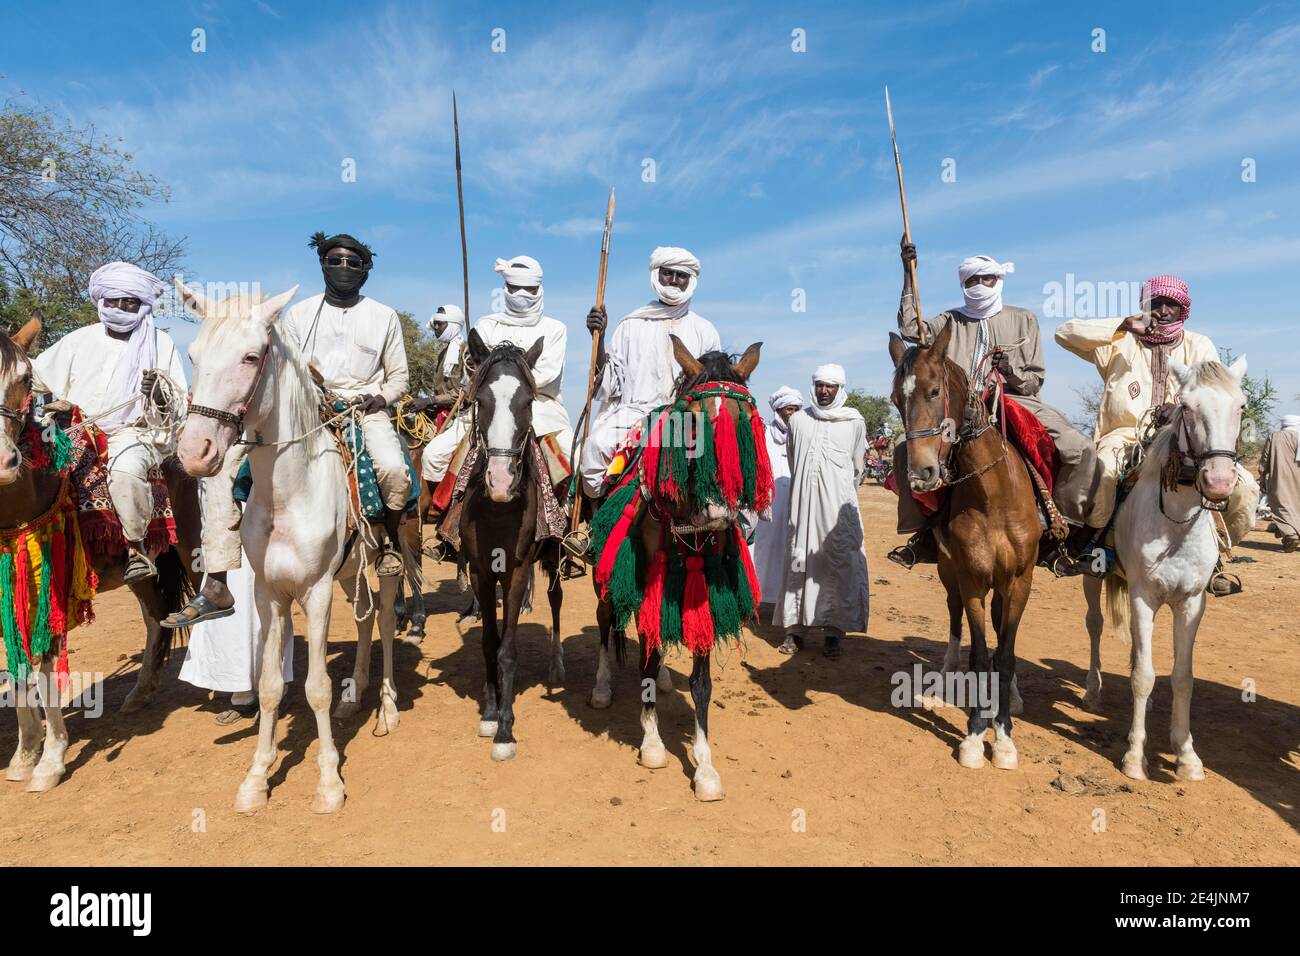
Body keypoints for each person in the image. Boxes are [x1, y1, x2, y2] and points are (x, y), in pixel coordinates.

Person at [893, 240, 1103, 568]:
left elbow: (1033, 381)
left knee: (1080, 449)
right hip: (961, 409)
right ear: (963, 285)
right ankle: (922, 533)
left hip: (1013, 400)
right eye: (971, 281)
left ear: (999, 280)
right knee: (904, 447)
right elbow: (909, 329)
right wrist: (909, 274)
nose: (979, 285)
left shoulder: (1023, 319)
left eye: (986, 279)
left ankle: (1063, 531)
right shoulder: (948, 321)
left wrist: (1010, 370)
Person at [1055, 274, 1260, 572]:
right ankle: (1096, 544)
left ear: (1183, 310)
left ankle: (1216, 551)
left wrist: (1177, 408)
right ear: (1144, 307)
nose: (1163, 311)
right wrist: (1124, 324)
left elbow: (1213, 394)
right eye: (1156, 304)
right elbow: (1064, 333)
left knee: (1247, 489)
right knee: (1105, 472)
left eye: (1171, 305)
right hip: (1124, 436)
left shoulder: (1199, 345)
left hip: (1185, 438)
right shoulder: (1118, 342)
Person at [31, 261, 187, 583]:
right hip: (72, 430)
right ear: (101, 301)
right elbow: (35, 376)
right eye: (113, 300)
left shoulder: (161, 343)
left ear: (141, 304)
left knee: (125, 472)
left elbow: (178, 405)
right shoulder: (79, 339)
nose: (119, 307)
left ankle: (136, 548)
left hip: (133, 433)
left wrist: (158, 394)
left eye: (128, 301)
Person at [284, 231, 411, 575]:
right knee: (252, 461)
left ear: (365, 269)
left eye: (352, 262)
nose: (343, 267)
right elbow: (287, 372)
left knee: (394, 470)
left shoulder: (384, 316)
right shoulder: (298, 315)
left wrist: (382, 397)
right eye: (334, 260)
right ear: (322, 265)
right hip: (312, 411)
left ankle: (389, 544)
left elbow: (399, 376)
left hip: (365, 409)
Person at [580, 247, 720, 499]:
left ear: (691, 280)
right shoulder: (631, 324)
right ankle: (595, 517)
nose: (675, 280)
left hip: (685, 418)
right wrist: (598, 339)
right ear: (657, 275)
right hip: (636, 415)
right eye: (669, 273)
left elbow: (714, 385)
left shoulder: (705, 330)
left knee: (722, 466)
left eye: (682, 275)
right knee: (595, 448)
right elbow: (611, 381)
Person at [776, 365, 870, 659]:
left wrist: (834, 488)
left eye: (829, 386)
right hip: (802, 506)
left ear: (839, 388)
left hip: (838, 512)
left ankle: (833, 633)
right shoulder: (799, 421)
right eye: (819, 385)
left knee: (837, 564)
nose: (823, 390)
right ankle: (794, 631)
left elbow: (857, 466)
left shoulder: (854, 421)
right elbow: (794, 459)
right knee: (799, 562)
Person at [474, 255, 573, 488]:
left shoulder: (554, 329)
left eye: (529, 289)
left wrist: (505, 384)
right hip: (489, 405)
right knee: (435, 456)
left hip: (542, 407)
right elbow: (476, 371)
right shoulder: (486, 325)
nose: (521, 294)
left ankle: (572, 516)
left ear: (539, 289)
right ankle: (439, 517)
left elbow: (547, 373)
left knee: (574, 459)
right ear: (505, 288)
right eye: (515, 288)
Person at [751, 386, 802, 607]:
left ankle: (789, 601)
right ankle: (759, 597)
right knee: (763, 549)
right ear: (778, 410)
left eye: (797, 409)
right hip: (768, 502)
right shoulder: (763, 434)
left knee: (793, 548)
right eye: (789, 409)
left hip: (796, 499)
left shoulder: (803, 434)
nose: (792, 414)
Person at [1260, 415, 1300, 552]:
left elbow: (1265, 459)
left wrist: (1262, 475)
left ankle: (1290, 534)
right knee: (1297, 505)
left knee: (1280, 505)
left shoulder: (1274, 436)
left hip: (1279, 477)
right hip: (1298, 477)